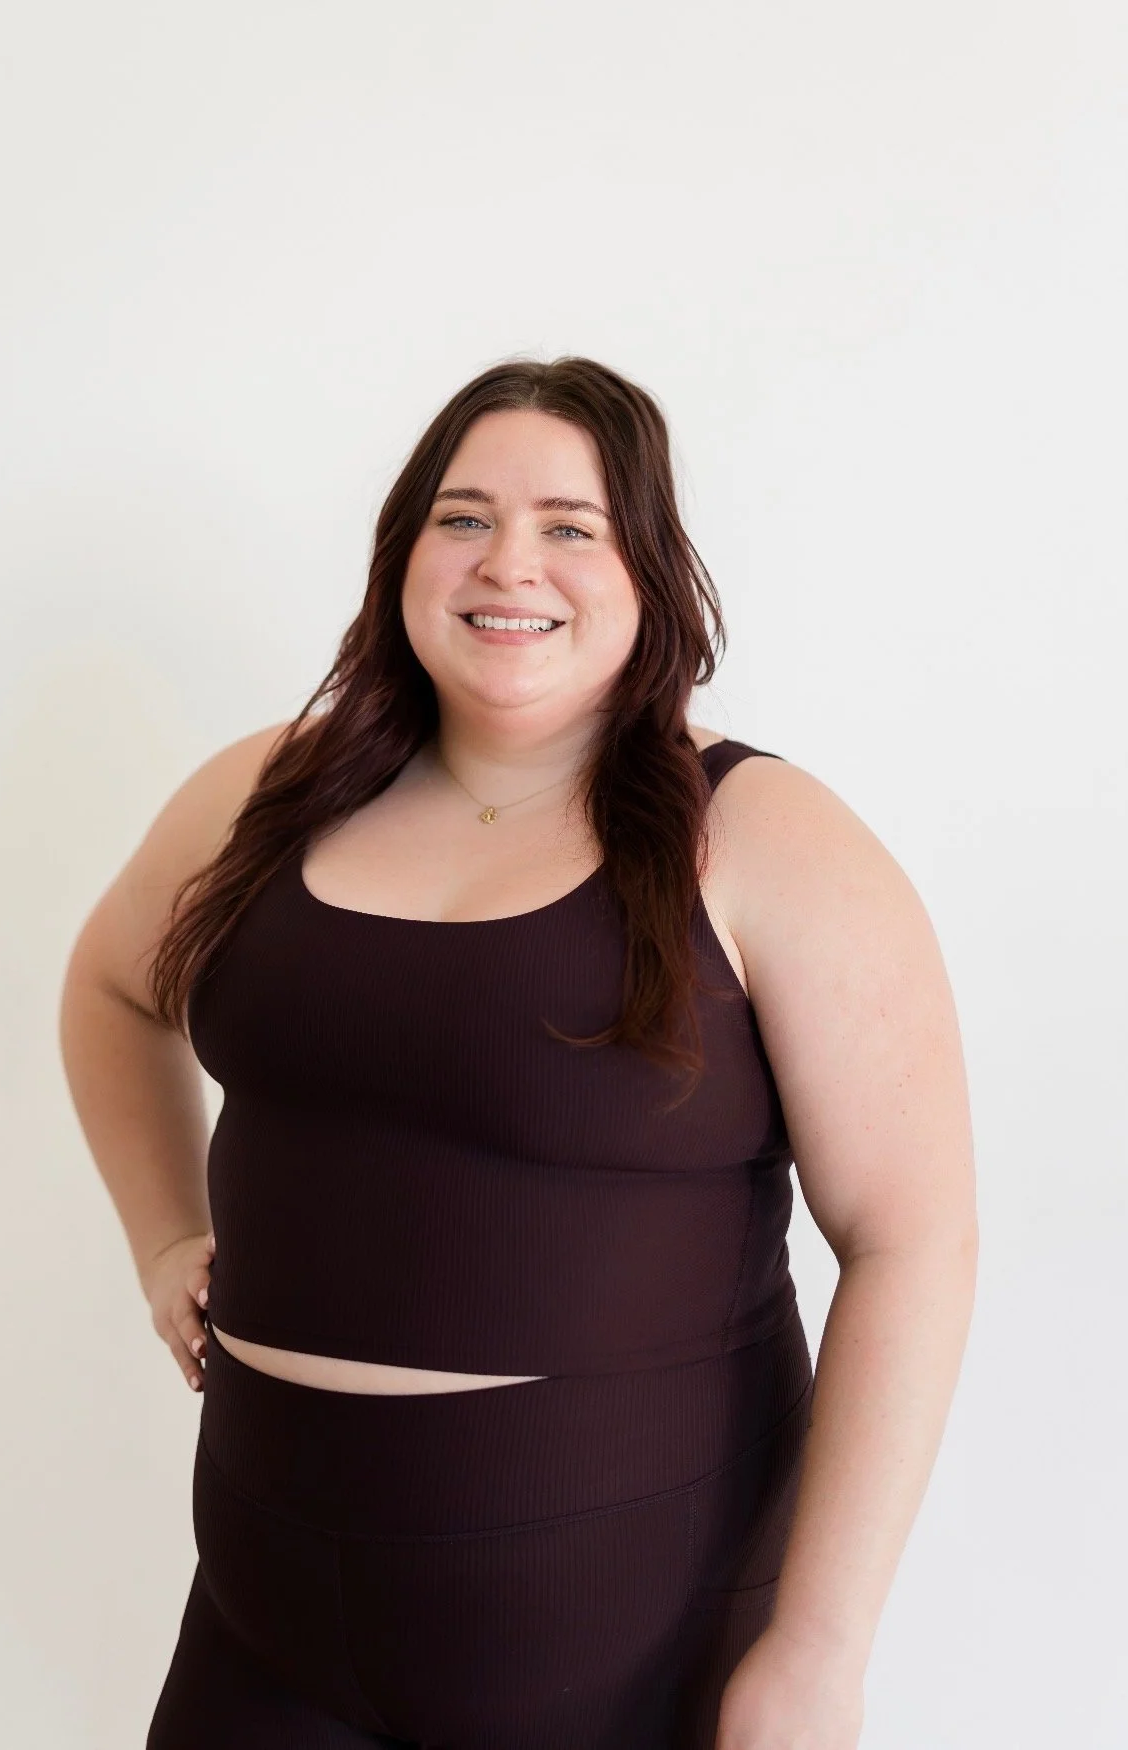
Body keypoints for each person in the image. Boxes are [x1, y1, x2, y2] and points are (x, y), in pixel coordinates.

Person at [59, 356, 978, 1750]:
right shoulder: (264, 792)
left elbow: (913, 1239)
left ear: (649, 568)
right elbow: (111, 988)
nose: (509, 563)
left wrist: (817, 1649)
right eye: (464, 516)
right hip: (265, 1615)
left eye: (569, 525)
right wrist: (162, 1233)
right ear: (404, 550)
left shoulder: (770, 842)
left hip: (629, 1633)